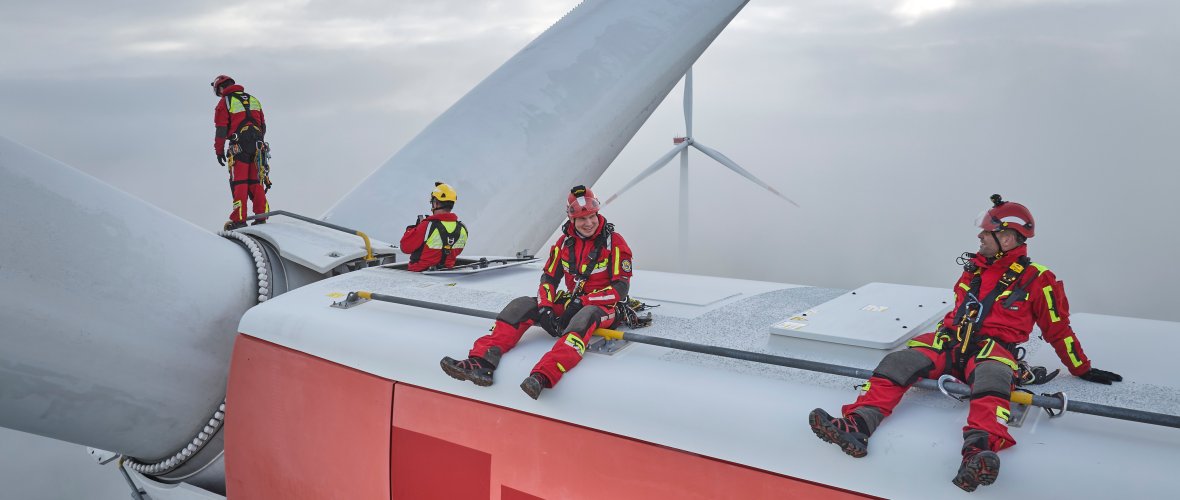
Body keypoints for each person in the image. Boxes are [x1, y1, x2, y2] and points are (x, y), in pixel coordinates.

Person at [807, 194, 1122, 493]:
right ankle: (857, 426)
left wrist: (1081, 368)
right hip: (951, 346)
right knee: (898, 361)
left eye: (986, 232)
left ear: (1007, 238)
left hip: (991, 353)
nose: (980, 237)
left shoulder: (1039, 279)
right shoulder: (973, 271)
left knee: (992, 379)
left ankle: (977, 454)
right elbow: (958, 312)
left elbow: (1058, 329)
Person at [439, 185, 633, 399]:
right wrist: (546, 308)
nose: (588, 223)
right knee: (521, 305)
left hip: (604, 307)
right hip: (574, 302)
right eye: (582, 219)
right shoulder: (564, 243)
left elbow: (621, 288)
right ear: (572, 220)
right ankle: (481, 362)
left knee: (585, 317)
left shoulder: (614, 242)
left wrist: (584, 302)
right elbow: (549, 278)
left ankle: (543, 375)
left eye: (592, 216)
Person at [211, 75, 270, 231]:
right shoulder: (253, 99)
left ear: (221, 88)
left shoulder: (225, 102)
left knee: (240, 183)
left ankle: (239, 219)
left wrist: (219, 151)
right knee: (256, 182)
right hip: (258, 147)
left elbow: (221, 129)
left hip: (239, 148)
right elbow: (263, 126)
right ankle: (261, 216)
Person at [399, 182, 469, 271]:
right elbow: (455, 252)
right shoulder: (462, 228)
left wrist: (413, 229)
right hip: (447, 274)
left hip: (419, 275)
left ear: (436, 203)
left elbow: (405, 248)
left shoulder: (427, 226)